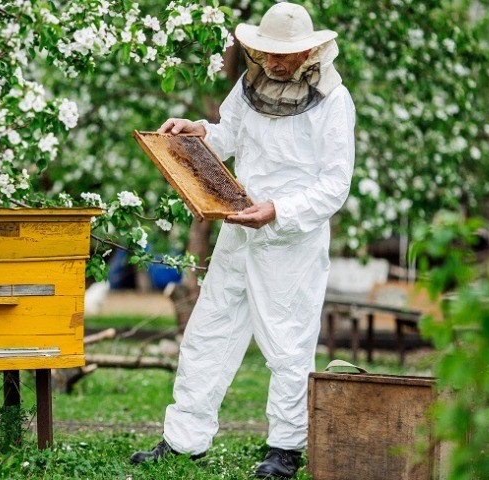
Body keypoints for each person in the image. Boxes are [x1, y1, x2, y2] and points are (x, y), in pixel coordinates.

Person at [130, 3, 355, 479]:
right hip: (237, 232)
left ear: (310, 50)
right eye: (268, 52)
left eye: (284, 55)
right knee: (208, 333)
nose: (273, 62)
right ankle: (184, 441)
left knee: (289, 344)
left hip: (291, 243)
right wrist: (200, 131)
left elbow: (335, 185)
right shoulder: (250, 84)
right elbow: (229, 133)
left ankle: (285, 448)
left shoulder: (335, 102)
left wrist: (279, 211)